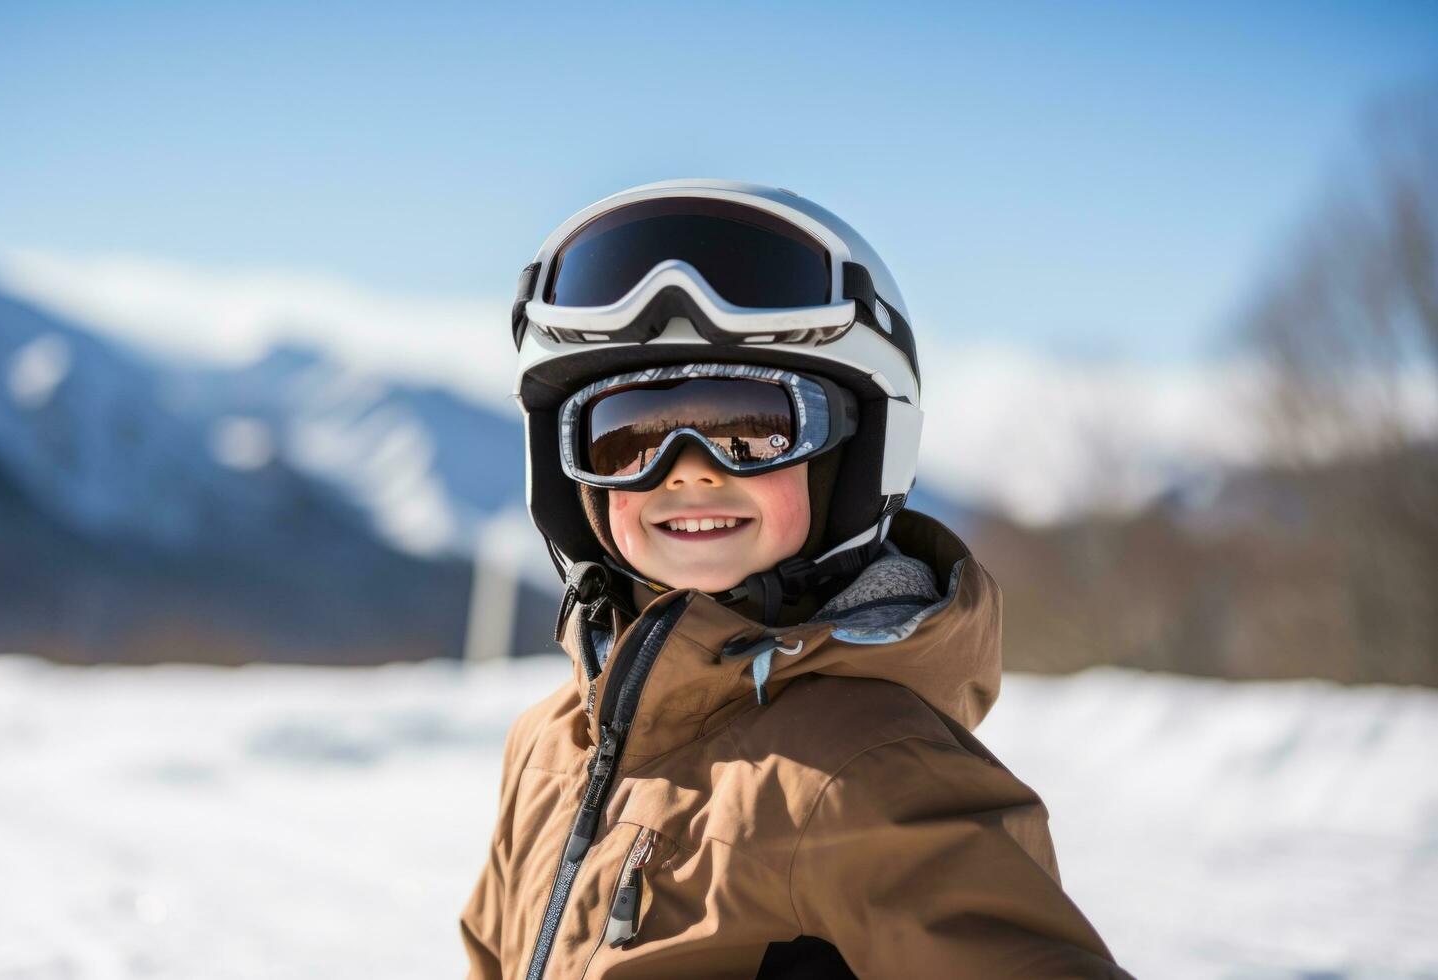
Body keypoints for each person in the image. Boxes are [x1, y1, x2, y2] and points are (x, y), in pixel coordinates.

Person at [460, 179, 1132, 978]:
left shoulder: (867, 769)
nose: (687, 474)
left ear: (852, 457)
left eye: (751, 429)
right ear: (573, 480)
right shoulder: (549, 741)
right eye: (624, 439)